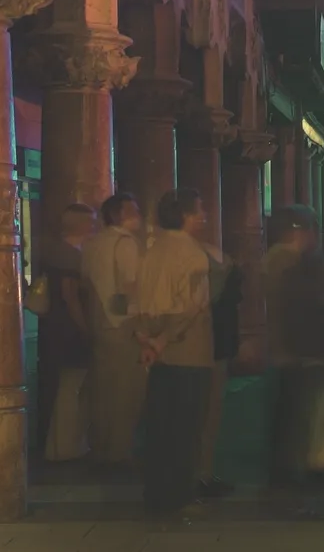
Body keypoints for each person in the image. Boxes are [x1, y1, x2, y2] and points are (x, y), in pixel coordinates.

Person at [134, 189, 216, 519]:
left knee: (160, 425)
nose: (203, 218)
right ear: (184, 216)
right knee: (186, 427)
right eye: (198, 212)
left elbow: (136, 299)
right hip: (188, 351)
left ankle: (155, 492)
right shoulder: (194, 255)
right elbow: (192, 308)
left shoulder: (150, 252)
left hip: (157, 351)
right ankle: (179, 496)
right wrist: (163, 341)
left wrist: (146, 341)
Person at [263, 205, 324, 492]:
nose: (314, 235)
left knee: (307, 415)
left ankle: (308, 469)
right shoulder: (283, 261)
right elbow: (287, 309)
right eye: (310, 229)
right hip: (297, 352)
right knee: (295, 417)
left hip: (302, 350)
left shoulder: (298, 259)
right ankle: (291, 475)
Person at [84, 192, 146, 473]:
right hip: (121, 322)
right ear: (119, 215)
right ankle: (118, 451)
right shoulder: (125, 243)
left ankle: (99, 447)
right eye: (134, 210)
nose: (139, 215)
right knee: (125, 391)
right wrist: (136, 320)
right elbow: (130, 285)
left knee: (102, 388)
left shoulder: (93, 243)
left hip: (98, 321)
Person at [37, 202, 96, 462]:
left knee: (59, 386)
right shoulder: (71, 256)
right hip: (69, 330)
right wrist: (85, 327)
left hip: (52, 327)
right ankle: (66, 446)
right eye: (91, 222)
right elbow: (70, 296)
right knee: (71, 387)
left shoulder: (50, 251)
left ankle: (57, 445)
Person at [196, 238, 241, 500]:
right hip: (212, 344)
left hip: (212, 343)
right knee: (207, 412)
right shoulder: (210, 267)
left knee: (205, 412)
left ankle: (201, 471)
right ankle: (200, 473)